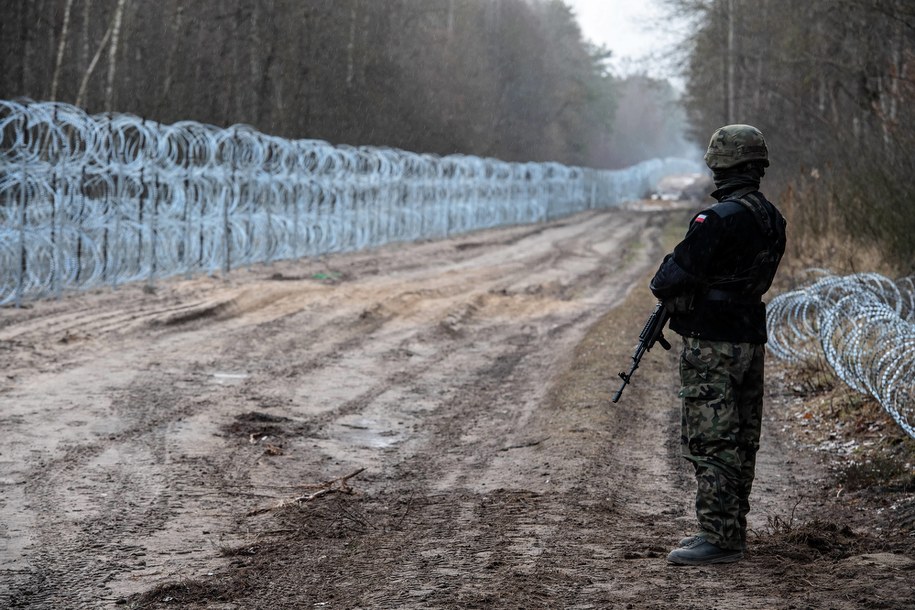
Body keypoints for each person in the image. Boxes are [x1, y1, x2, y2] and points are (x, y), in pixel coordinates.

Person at [649, 124, 787, 566]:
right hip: (750, 335)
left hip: (713, 342)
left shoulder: (717, 219)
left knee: (712, 439)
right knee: (743, 437)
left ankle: (718, 537)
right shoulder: (772, 218)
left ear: (720, 163)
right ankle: (731, 530)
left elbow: (668, 278)